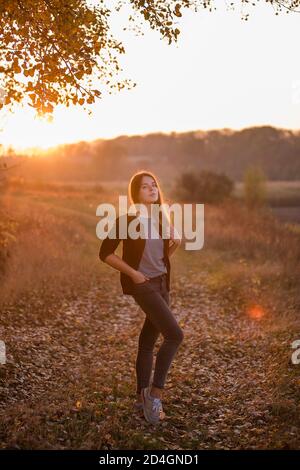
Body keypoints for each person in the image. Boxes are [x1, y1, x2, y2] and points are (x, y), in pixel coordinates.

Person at [99, 170, 184, 424]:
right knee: (175, 335)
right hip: (143, 284)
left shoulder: (161, 219)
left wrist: (175, 243)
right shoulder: (127, 220)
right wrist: (133, 274)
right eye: (145, 186)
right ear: (136, 193)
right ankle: (155, 396)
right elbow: (105, 253)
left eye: (154, 185)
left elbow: (161, 256)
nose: (152, 189)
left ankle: (140, 398)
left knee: (148, 341)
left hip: (161, 283)